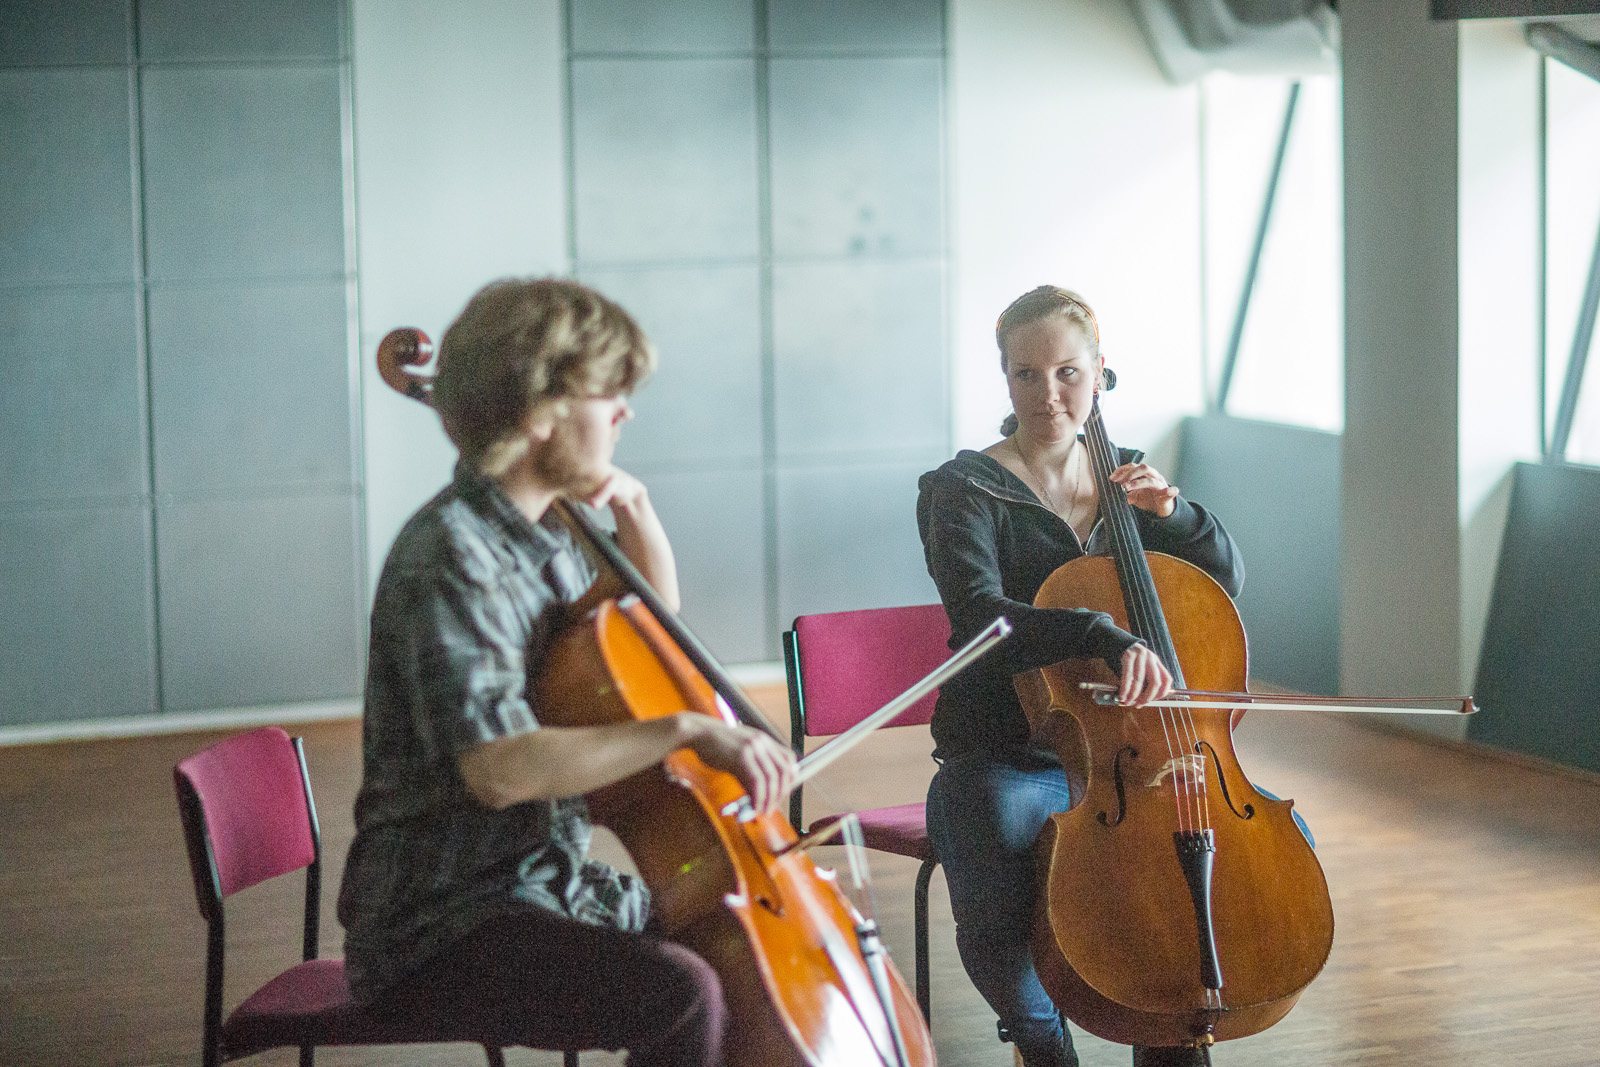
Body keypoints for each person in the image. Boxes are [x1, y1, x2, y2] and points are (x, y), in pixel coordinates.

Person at [337, 278, 797, 1067]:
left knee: (741, 942)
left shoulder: (544, 534)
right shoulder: (453, 556)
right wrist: (686, 732)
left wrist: (638, 516)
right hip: (441, 920)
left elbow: (648, 642)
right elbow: (500, 770)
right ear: (540, 410)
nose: (624, 413)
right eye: (608, 392)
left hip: (537, 881)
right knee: (679, 993)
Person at [915, 286, 1245, 1067]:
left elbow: (1223, 581)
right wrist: (1098, 632)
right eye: (1026, 374)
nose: (1049, 394)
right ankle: (1039, 1036)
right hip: (1009, 749)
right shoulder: (963, 490)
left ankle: (1172, 1034)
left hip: (1138, 750)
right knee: (988, 810)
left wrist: (1178, 516)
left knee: (1258, 839)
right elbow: (979, 617)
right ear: (1004, 379)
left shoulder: (1131, 480)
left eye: (1068, 372)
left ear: (1100, 373)